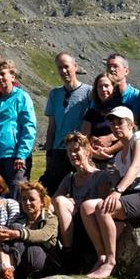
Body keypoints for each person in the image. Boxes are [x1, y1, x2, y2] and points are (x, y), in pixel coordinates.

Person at [80, 106, 140, 279]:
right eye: (112, 123)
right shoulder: (120, 156)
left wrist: (117, 192)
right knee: (87, 207)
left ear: (131, 124)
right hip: (135, 197)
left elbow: (136, 167)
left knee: (103, 208)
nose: (116, 126)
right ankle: (102, 256)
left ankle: (111, 263)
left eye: (120, 122)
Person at [0, 181, 60, 279]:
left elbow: (43, 235)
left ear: (42, 201)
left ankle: (2, 278)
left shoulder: (50, 219)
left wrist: (18, 233)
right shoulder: (20, 219)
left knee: (15, 230)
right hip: (22, 262)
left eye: (31, 199)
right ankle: (7, 276)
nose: (27, 203)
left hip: (42, 261)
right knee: (10, 232)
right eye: (23, 199)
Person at [0, 60, 36, 199]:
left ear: (12, 76)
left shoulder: (21, 97)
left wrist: (22, 154)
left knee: (17, 193)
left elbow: (29, 127)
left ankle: (19, 220)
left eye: (2, 74)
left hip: (15, 157)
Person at [39, 52, 92, 193]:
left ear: (75, 67)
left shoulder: (89, 92)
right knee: (52, 190)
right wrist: (49, 153)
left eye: (66, 67)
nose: (63, 71)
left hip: (79, 150)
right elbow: (52, 127)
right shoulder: (54, 94)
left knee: (82, 190)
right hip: (58, 151)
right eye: (59, 67)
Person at [52, 132, 109, 263]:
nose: (72, 154)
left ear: (87, 151)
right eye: (69, 151)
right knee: (60, 201)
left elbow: (103, 204)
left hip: (92, 224)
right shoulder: (70, 178)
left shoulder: (101, 176)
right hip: (74, 225)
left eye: (77, 150)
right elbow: (53, 201)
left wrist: (77, 202)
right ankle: (67, 253)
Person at [81, 73, 124, 168]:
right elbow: (83, 139)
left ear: (114, 88)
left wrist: (109, 149)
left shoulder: (123, 110)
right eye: (100, 87)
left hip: (118, 162)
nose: (103, 89)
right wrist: (94, 153)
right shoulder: (91, 112)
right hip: (94, 162)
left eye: (106, 86)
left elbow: (128, 136)